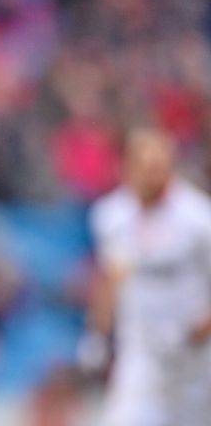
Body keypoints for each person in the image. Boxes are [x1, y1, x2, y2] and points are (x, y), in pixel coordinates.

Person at [83, 126, 211, 426]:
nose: (151, 177)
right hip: (142, 354)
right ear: (126, 167)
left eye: (158, 168)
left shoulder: (198, 219)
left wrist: (197, 330)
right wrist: (97, 335)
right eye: (143, 167)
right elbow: (111, 277)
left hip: (196, 358)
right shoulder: (111, 216)